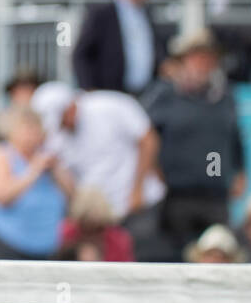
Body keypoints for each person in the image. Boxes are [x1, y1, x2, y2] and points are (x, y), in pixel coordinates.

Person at [143, 28, 246, 260]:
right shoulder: (165, 95)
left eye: (208, 58)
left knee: (218, 251)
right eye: (197, 57)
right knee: (176, 256)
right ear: (183, 61)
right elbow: (147, 136)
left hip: (216, 193)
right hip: (177, 193)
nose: (203, 64)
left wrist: (240, 171)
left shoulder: (225, 97)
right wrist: (152, 170)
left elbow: (234, 136)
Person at [31, 82, 165, 256]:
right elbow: (67, 178)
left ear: (71, 106)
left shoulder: (110, 105)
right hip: (99, 220)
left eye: (62, 118)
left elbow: (148, 141)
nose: (62, 126)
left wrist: (137, 191)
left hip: (138, 207)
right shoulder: (57, 136)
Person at [0, 107, 75, 261]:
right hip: (0, 243)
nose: (32, 135)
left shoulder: (48, 159)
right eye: (26, 129)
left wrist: (57, 171)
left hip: (43, 249)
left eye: (36, 128)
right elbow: (1, 197)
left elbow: (73, 197)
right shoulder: (1, 155)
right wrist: (33, 171)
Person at [72, 0, 163, 94]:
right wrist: (89, 89)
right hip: (109, 94)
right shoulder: (102, 14)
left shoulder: (146, 13)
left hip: (145, 94)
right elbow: (81, 55)